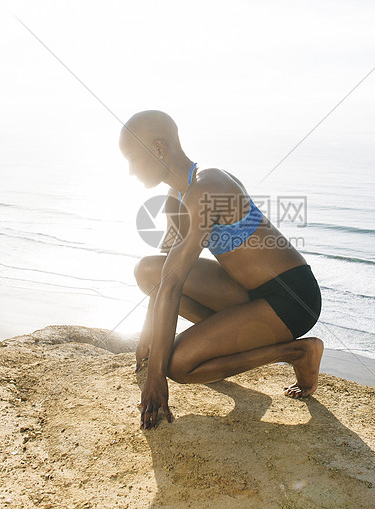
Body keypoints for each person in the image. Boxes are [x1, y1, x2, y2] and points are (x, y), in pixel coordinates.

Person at [120, 110, 323, 430]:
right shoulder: (176, 195)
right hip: (248, 293)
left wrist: (156, 376)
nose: (130, 170)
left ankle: (297, 351)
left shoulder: (206, 188)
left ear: (159, 148)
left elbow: (172, 286)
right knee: (146, 270)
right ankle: (221, 338)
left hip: (291, 298)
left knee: (179, 364)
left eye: (132, 158)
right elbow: (165, 276)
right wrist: (148, 334)